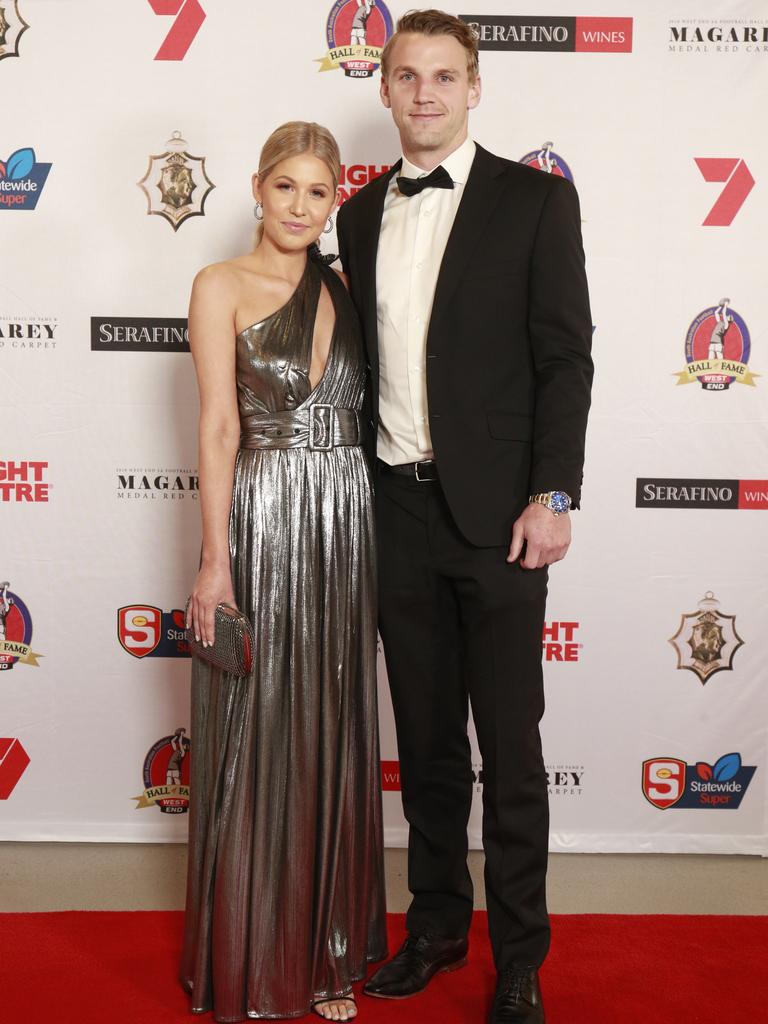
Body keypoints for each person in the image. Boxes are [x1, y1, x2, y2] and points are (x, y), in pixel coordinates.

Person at [336, 10, 593, 1024]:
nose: (427, 93)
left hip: (501, 521)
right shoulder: (356, 218)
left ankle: (520, 955)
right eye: (409, 76)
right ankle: (436, 927)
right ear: (386, 89)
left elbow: (565, 358)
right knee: (430, 743)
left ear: (475, 87)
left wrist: (554, 493)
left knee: (512, 748)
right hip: (394, 511)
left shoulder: (536, 201)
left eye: (446, 75)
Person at [181, 121, 387, 1023]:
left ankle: (328, 950)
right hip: (262, 516)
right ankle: (250, 949)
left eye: (319, 192)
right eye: (286, 188)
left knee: (331, 716)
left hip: (346, 519)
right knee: (257, 719)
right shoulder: (219, 284)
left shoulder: (350, 288)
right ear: (257, 189)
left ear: (333, 198)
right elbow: (220, 426)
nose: (301, 207)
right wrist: (215, 559)